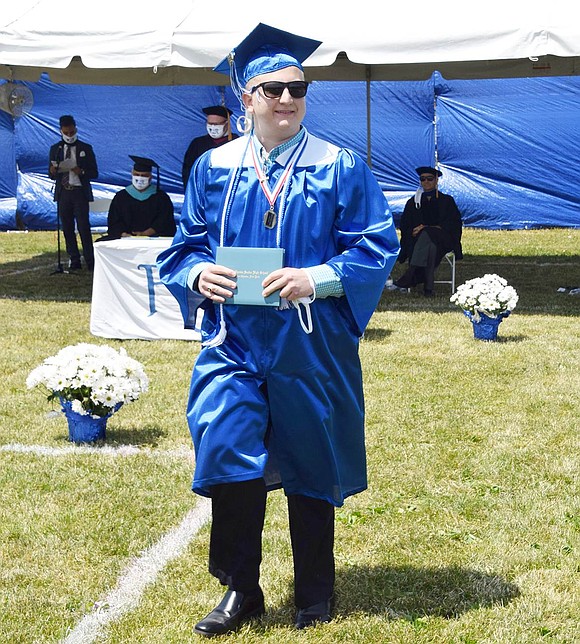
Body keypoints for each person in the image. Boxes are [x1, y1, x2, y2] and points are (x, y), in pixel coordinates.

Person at [157, 23, 400, 637]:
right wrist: (197, 275)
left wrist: (315, 277)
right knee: (227, 447)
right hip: (232, 341)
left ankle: (315, 590)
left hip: (308, 340)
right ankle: (243, 589)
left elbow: (375, 245)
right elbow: (183, 248)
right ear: (246, 97)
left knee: (310, 459)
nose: (287, 99)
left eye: (297, 88)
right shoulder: (215, 169)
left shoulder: (338, 166)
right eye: (272, 89)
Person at [394, 166, 463, 295]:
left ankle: (412, 274)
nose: (426, 182)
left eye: (430, 179)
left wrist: (427, 228)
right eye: (423, 179)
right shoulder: (413, 202)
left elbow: (454, 224)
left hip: (444, 239)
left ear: (436, 180)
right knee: (430, 245)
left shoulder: (447, 201)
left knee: (427, 233)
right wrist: (412, 231)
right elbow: (405, 224)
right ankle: (428, 288)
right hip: (420, 241)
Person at [49, 114, 98, 270]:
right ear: (61, 131)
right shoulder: (55, 149)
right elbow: (51, 174)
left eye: (71, 132)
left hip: (79, 192)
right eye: (66, 133)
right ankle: (74, 258)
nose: (69, 136)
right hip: (64, 192)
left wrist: (81, 171)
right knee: (67, 226)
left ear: (75, 129)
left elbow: (94, 172)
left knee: (83, 226)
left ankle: (90, 260)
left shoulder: (85, 148)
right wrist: (53, 171)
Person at [96, 156, 176, 241]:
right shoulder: (121, 196)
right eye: (137, 175)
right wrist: (123, 234)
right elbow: (114, 221)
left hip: (153, 238)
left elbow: (165, 221)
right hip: (125, 238)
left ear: (150, 177)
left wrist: (146, 233)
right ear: (132, 174)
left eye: (144, 175)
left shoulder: (161, 197)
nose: (140, 178)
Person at [181, 105, 238, 189]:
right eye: (210, 123)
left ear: (227, 124)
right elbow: (188, 171)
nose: (213, 127)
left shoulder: (236, 143)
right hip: (202, 191)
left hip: (228, 191)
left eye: (217, 124)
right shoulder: (197, 144)